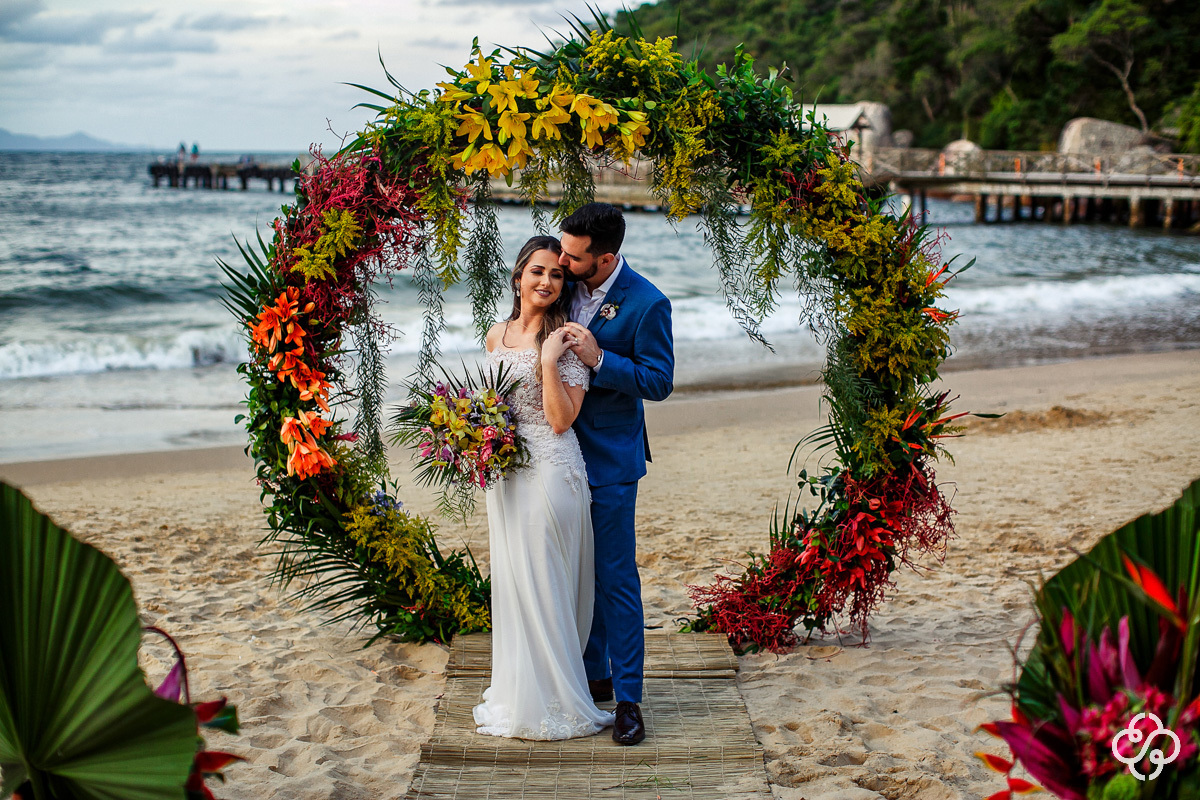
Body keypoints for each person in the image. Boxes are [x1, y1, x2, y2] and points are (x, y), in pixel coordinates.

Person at [473, 235, 615, 741]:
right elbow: (488, 404)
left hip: (551, 470)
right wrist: (470, 435)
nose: (547, 282)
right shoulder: (497, 334)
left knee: (545, 582)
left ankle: (558, 698)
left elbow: (560, 420)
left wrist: (549, 361)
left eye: (556, 275)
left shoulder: (569, 339)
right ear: (517, 277)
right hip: (505, 471)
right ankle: (518, 692)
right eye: (537, 272)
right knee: (513, 581)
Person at [559, 203, 674, 746]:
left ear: (604, 258)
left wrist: (601, 360)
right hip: (555, 452)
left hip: (610, 456)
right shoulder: (561, 284)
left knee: (616, 576)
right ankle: (593, 673)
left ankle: (628, 699)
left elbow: (658, 381)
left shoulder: (649, 304)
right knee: (575, 571)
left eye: (573, 255)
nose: (561, 260)